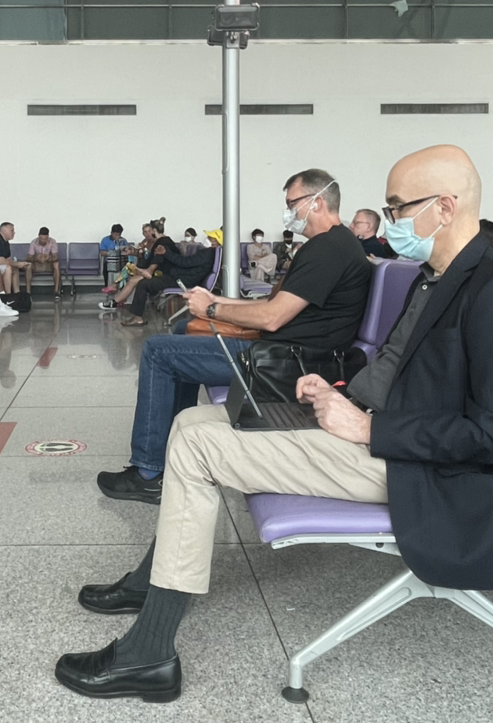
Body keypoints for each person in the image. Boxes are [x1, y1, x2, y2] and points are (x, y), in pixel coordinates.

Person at [56, 144, 493, 703]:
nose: (389, 222)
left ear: (445, 206)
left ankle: (149, 653)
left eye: (397, 208)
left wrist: (368, 429)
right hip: (375, 432)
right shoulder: (434, 279)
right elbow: (401, 375)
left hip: (417, 467)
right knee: (192, 422)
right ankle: (153, 585)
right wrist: (337, 394)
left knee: (197, 449)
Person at [96, 170, 371, 504]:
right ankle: (165, 453)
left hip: (288, 363)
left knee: (158, 351)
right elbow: (273, 305)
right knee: (182, 331)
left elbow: (272, 318)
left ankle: (147, 473)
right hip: (287, 353)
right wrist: (216, 301)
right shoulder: (331, 246)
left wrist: (213, 310)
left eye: (292, 204)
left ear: (316, 202)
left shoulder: (329, 249)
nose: (288, 212)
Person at [119, 235, 214, 326]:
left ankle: (137, 318)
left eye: (210, 238)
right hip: (181, 275)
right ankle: (150, 271)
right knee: (162, 248)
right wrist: (165, 252)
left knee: (143, 284)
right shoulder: (208, 253)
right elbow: (187, 263)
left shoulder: (206, 254)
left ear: (215, 242)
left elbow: (185, 263)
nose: (207, 239)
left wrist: (166, 252)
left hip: (181, 279)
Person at [27, 227, 61, 296]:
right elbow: (29, 258)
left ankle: (56, 291)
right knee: (28, 266)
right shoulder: (33, 242)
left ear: (48, 237)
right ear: (38, 236)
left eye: (45, 239)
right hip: (37, 265)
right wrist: (36, 257)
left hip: (48, 264)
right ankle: (28, 292)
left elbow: (55, 257)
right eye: (41, 239)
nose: (43, 241)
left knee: (56, 264)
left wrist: (48, 258)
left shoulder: (52, 241)